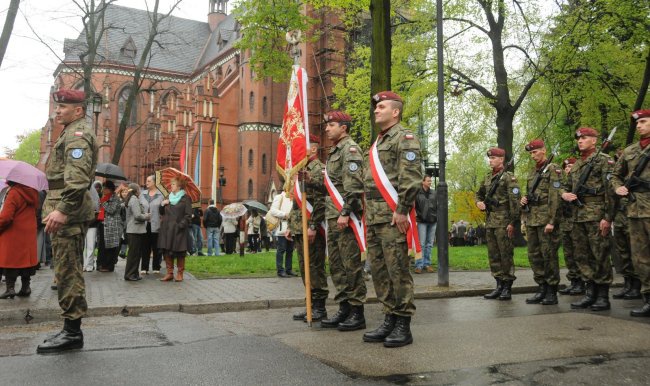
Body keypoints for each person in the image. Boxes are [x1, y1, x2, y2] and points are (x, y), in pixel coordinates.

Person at [37, 89, 98, 354]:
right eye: (57, 106)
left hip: (69, 213)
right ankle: (70, 329)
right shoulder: (70, 131)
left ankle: (72, 333)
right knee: (64, 269)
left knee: (68, 270)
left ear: (79, 110)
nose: (57, 110)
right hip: (66, 209)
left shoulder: (78, 135)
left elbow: (77, 179)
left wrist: (61, 210)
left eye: (63, 107)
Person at [362, 91, 422, 347]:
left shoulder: (405, 138)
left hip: (392, 215)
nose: (376, 110)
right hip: (374, 217)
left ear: (395, 112)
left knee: (397, 269)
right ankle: (389, 317)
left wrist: (401, 209)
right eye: (376, 107)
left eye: (382, 106)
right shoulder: (377, 142)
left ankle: (403, 324)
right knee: (379, 271)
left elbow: (411, 178)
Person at [320, 110, 367, 332]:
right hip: (333, 216)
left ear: (343, 128)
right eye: (327, 125)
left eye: (331, 125)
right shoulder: (334, 151)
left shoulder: (350, 150)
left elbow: (355, 185)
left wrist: (346, 212)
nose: (327, 128)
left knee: (351, 265)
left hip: (343, 216)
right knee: (337, 265)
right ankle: (344, 307)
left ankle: (357, 312)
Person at [560, 127, 614, 311]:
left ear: (594, 140)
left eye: (584, 138)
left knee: (600, 255)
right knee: (582, 255)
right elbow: (564, 185)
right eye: (578, 138)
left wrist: (608, 217)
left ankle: (603, 296)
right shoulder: (576, 165)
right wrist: (564, 194)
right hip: (578, 216)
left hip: (596, 214)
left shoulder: (603, 160)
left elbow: (610, 190)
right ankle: (590, 293)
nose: (580, 141)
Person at [612, 109, 650, 316]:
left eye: (643, 121)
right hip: (635, 211)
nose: (639, 126)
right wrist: (617, 188)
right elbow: (615, 175)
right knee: (640, 258)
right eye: (637, 123)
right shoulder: (629, 151)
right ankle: (648, 298)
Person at [287, 134, 329, 322]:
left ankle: (319, 307)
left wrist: (313, 225)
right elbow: (297, 202)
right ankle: (310, 304)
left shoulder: (318, 169)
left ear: (313, 148)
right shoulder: (301, 169)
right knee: (305, 268)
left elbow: (320, 201)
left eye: (301, 147)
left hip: (312, 227)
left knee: (314, 268)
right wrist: (290, 225)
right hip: (299, 226)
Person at [520, 139, 562, 305]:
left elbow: (555, 196)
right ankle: (542, 287)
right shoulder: (532, 173)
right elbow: (530, 193)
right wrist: (524, 199)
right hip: (532, 219)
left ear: (544, 150)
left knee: (549, 255)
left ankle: (552, 290)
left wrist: (552, 221)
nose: (533, 155)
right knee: (534, 255)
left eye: (535, 151)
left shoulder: (553, 169)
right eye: (531, 153)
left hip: (546, 219)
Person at [475, 147, 520, 301]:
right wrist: (479, 203)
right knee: (493, 255)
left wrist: (513, 222)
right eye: (490, 158)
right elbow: (478, 194)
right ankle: (498, 284)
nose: (491, 160)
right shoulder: (487, 177)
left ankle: (507, 286)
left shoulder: (509, 177)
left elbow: (515, 202)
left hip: (504, 221)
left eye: (494, 158)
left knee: (505, 254)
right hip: (490, 221)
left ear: (501, 160)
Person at [0, 182, 39, 299]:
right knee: (25, 260)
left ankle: (10, 288)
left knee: (10, 260)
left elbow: (6, 216)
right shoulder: (33, 192)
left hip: (13, 232)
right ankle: (25, 287)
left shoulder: (14, 192)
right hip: (28, 232)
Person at [557, 158, 585, 296]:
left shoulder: (580, 181)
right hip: (565, 223)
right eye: (566, 166)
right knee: (569, 255)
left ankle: (582, 282)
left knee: (579, 253)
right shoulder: (563, 185)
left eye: (571, 166)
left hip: (577, 222)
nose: (568, 168)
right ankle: (574, 282)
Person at [158, 177, 192, 282]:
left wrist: (180, 225)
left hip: (178, 230)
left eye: (173, 184)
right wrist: (162, 205)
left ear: (179, 186)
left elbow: (188, 215)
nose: (170, 186)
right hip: (167, 229)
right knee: (167, 251)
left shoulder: (185, 198)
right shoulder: (168, 197)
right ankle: (169, 273)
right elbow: (162, 212)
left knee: (180, 251)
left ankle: (180, 273)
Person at [123, 183, 150, 281]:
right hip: (135, 231)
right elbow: (137, 216)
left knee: (134, 254)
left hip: (133, 230)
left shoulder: (131, 199)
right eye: (139, 189)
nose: (140, 191)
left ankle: (133, 273)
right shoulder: (134, 199)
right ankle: (130, 274)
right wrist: (147, 216)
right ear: (136, 190)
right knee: (134, 254)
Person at [140, 175, 164, 274]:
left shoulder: (161, 195)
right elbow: (139, 207)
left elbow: (163, 211)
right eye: (146, 181)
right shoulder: (142, 194)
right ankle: (144, 268)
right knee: (145, 246)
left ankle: (156, 267)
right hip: (144, 224)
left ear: (154, 182)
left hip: (156, 224)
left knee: (156, 247)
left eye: (149, 181)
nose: (147, 182)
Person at [97, 181, 121, 272]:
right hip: (103, 224)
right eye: (103, 188)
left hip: (111, 226)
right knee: (102, 246)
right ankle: (101, 264)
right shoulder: (104, 197)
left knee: (110, 247)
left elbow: (111, 210)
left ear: (110, 189)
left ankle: (108, 266)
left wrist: (103, 203)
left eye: (105, 188)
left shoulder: (115, 198)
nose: (103, 190)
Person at [414, 175, 437, 274]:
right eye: (428, 181)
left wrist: (436, 216)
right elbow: (415, 207)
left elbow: (438, 205)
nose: (430, 182)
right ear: (423, 182)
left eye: (430, 181)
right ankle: (419, 265)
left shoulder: (434, 193)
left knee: (429, 244)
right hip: (422, 222)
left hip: (433, 221)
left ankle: (427, 264)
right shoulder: (417, 193)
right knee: (421, 244)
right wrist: (419, 216)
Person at [269, 190, 295, 277]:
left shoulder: (294, 197)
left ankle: (289, 269)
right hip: (282, 227)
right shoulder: (279, 197)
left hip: (292, 227)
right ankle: (280, 270)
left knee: (290, 250)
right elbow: (273, 210)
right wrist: (284, 214)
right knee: (281, 249)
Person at [83, 181, 101, 272]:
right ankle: (84, 264)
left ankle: (89, 265)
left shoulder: (94, 195)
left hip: (91, 224)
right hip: (83, 223)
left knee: (90, 245)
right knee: (83, 246)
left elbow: (96, 209)